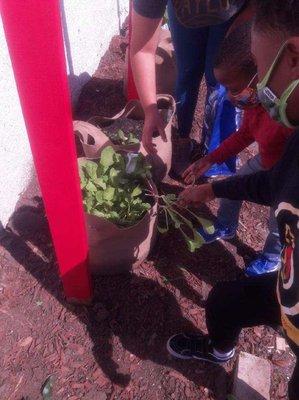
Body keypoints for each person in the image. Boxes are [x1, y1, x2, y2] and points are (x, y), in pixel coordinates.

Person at [167, 1, 299, 398]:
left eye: (261, 73)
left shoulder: (286, 130)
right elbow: (275, 183)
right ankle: (220, 348)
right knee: (224, 301)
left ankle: (272, 256)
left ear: (292, 56)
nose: (260, 92)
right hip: (288, 294)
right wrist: (211, 184)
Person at [183, 22, 293, 276]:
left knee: (278, 220)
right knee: (234, 187)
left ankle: (272, 256)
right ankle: (225, 225)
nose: (231, 96)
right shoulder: (256, 104)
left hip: (286, 176)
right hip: (266, 163)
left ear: (261, 73)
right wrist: (211, 158)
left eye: (234, 88)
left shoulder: (286, 116)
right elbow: (244, 135)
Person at [130, 0, 253, 177]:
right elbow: (142, 49)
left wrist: (237, 39)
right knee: (187, 71)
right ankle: (182, 136)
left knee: (220, 77)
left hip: (234, 11)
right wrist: (150, 109)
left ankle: (216, 151)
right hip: (184, 15)